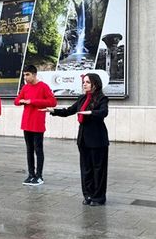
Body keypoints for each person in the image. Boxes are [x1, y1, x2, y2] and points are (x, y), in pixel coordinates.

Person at [45, 73, 109, 206]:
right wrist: (52, 110)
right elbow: (69, 111)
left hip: (97, 139)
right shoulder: (81, 99)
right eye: (84, 82)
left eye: (88, 82)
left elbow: (104, 112)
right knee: (86, 169)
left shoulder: (102, 98)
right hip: (84, 139)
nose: (84, 84)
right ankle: (88, 195)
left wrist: (91, 113)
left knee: (98, 169)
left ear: (95, 84)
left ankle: (99, 197)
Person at [14, 65, 57, 186]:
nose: (25, 77)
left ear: (34, 74)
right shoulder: (25, 87)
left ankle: (39, 176)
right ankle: (31, 174)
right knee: (29, 150)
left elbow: (53, 102)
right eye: (24, 75)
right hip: (26, 123)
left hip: (37, 123)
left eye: (27, 75)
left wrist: (32, 101)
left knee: (38, 150)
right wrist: (21, 101)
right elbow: (16, 101)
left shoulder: (43, 87)